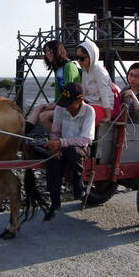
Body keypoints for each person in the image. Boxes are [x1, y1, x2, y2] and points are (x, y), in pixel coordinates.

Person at [43, 82, 95, 221]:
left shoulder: (89, 111)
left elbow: (85, 139)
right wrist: (56, 146)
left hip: (81, 148)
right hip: (63, 144)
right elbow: (55, 131)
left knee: (72, 152)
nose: (66, 106)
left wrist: (62, 143)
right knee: (52, 159)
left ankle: (78, 182)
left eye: (69, 103)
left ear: (79, 100)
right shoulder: (61, 108)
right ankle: (55, 202)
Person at [25, 40, 81, 134]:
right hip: (63, 103)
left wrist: (54, 105)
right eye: (46, 52)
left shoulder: (69, 66)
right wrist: (54, 104)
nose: (47, 54)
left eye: (50, 51)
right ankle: (23, 133)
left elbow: (70, 93)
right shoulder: (58, 69)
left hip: (73, 105)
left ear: (57, 51)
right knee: (38, 108)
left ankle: (58, 142)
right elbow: (58, 94)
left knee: (43, 116)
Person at [75, 40, 114, 126]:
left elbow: (104, 93)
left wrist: (108, 116)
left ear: (91, 56)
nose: (79, 61)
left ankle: (81, 139)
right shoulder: (85, 70)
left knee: (81, 121)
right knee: (71, 115)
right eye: (77, 57)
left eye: (82, 58)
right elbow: (84, 92)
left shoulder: (98, 69)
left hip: (104, 107)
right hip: (92, 105)